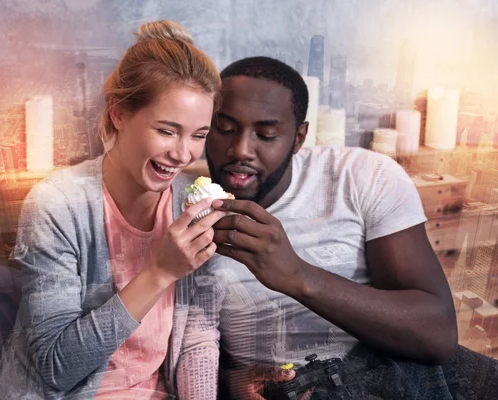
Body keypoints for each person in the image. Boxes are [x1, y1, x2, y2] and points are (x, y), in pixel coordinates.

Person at [184, 56, 498, 399]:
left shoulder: (360, 176)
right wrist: (231, 382)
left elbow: (437, 335)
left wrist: (297, 276)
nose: (241, 149)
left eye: (266, 134)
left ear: (298, 138)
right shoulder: (175, 208)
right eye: (224, 129)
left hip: (395, 375)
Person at [0, 20, 224, 400]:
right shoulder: (58, 204)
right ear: (119, 114)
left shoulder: (192, 205)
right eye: (166, 130)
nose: (183, 153)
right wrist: (160, 271)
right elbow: (57, 369)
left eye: (198, 135)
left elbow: (197, 339)